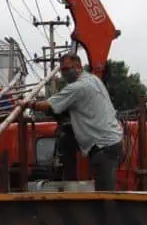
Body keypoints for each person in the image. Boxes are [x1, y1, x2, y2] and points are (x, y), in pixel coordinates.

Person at [20, 54, 123, 191]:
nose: (65, 73)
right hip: (111, 141)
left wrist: (27, 104)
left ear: (79, 67)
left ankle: (109, 212)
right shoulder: (93, 79)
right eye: (62, 70)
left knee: (105, 195)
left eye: (68, 69)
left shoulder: (78, 87)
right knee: (67, 140)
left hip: (103, 145)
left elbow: (49, 106)